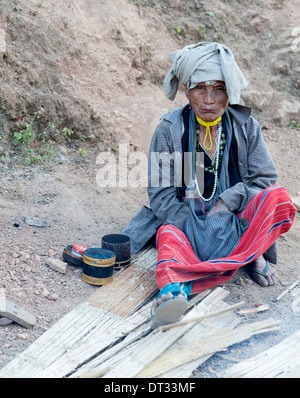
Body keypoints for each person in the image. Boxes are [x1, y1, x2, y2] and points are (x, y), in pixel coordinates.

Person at [122, 42, 296, 329]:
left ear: (230, 92)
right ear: (187, 91)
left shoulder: (244, 126)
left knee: (277, 197)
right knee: (167, 238)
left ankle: (244, 255)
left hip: (237, 219)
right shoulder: (171, 130)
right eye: (200, 89)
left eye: (218, 89)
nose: (209, 100)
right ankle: (173, 294)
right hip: (187, 222)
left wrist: (228, 201)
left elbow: (264, 179)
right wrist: (197, 227)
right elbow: (162, 196)